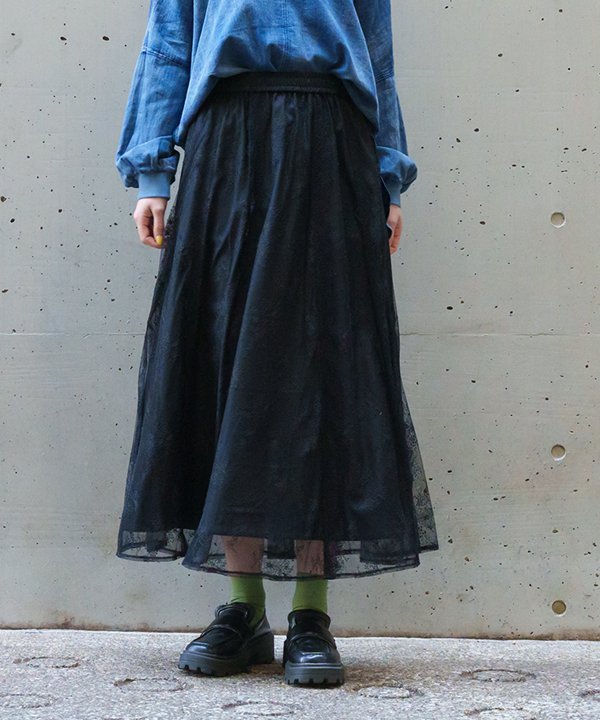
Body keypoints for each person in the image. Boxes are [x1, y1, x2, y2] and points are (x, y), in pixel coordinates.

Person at [114, 0, 440, 687]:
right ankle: (245, 609)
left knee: (319, 372)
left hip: (331, 141)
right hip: (225, 141)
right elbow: (169, 40)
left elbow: (376, 53)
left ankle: (311, 615)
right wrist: (152, 172)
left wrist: (389, 175)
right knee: (226, 360)